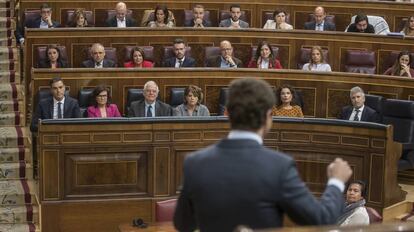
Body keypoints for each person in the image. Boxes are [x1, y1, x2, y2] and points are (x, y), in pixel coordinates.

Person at [174, 78, 353, 231]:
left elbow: (183, 224)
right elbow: (321, 218)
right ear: (269, 117)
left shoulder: (195, 162)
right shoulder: (280, 166)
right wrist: (336, 181)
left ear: (227, 113)